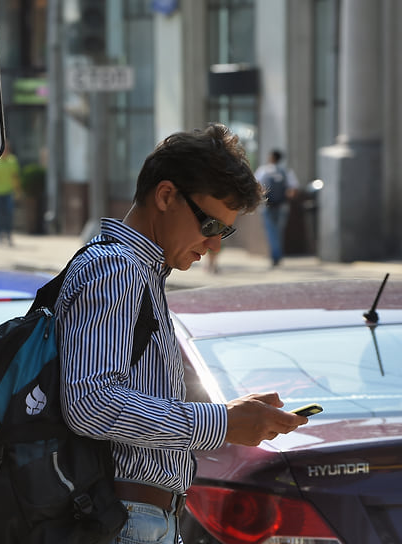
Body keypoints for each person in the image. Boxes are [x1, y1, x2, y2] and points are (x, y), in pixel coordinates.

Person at [55, 124, 309, 543]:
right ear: (166, 195)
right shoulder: (118, 271)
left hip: (137, 515)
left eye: (224, 231)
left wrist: (229, 414)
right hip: (120, 516)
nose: (212, 243)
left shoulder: (140, 272)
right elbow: (91, 403)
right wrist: (221, 423)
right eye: (209, 223)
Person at [254, 149, 299, 267]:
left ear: (271, 158)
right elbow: (293, 189)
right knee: (279, 231)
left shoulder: (264, 170)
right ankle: (278, 255)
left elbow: (256, 185)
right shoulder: (285, 171)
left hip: (268, 205)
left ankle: (275, 256)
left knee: (271, 231)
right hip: (282, 205)